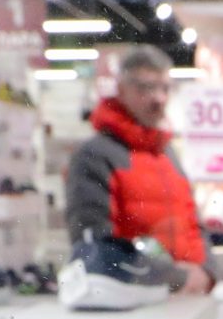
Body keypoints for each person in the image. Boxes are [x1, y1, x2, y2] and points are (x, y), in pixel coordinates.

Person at [66, 46, 215, 295]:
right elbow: (97, 245)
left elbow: (193, 222)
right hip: (135, 305)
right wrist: (175, 277)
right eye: (145, 87)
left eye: (164, 88)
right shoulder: (95, 155)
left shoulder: (168, 154)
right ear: (122, 90)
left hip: (186, 300)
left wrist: (208, 271)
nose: (158, 97)